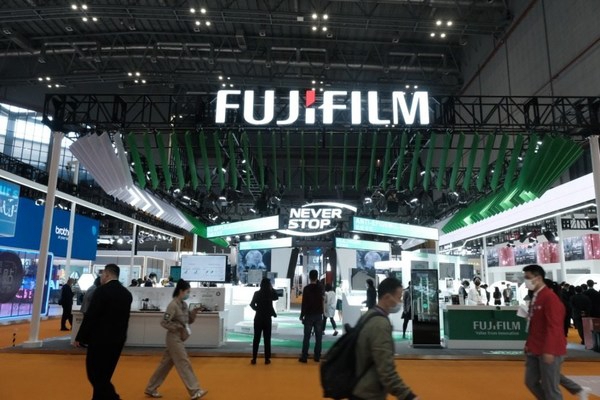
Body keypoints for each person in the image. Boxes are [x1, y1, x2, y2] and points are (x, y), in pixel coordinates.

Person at [353, 277, 419, 400]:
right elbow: (386, 371)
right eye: (399, 298)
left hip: (359, 386)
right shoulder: (380, 324)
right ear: (388, 297)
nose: (400, 302)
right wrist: (408, 396)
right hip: (369, 393)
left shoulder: (369, 315)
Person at [75, 264, 133, 400]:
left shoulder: (101, 291)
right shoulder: (126, 294)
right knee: (105, 374)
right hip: (118, 340)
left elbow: (91, 316)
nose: (101, 277)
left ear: (107, 274)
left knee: (94, 374)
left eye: (102, 274)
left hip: (100, 340)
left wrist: (80, 337)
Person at [144, 279, 208, 399]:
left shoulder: (184, 305)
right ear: (181, 291)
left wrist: (194, 312)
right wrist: (176, 327)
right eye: (187, 292)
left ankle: (151, 388)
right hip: (173, 338)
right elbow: (164, 322)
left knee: (165, 365)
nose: (188, 294)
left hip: (180, 337)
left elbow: (188, 321)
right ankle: (195, 390)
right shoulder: (172, 305)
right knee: (184, 362)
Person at [523, 264, 567, 400]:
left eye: (528, 277)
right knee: (531, 382)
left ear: (538, 278)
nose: (525, 281)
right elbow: (534, 325)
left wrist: (549, 350)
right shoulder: (536, 297)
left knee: (550, 388)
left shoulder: (550, 298)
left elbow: (554, 326)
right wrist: (528, 344)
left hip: (549, 349)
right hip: (535, 347)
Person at [249, 277, 279, 365]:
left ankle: (254, 358)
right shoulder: (270, 294)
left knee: (256, 338)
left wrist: (257, 309)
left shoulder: (257, 293)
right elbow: (276, 297)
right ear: (269, 285)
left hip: (258, 318)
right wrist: (271, 288)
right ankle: (267, 359)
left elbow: (252, 304)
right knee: (267, 339)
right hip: (267, 319)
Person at [299, 269, 324, 363]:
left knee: (306, 337)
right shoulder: (320, 288)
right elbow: (322, 300)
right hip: (318, 315)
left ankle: (304, 357)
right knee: (318, 337)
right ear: (317, 277)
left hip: (309, 315)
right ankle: (317, 356)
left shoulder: (306, 289)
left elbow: (304, 303)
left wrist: (302, 315)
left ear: (309, 277)